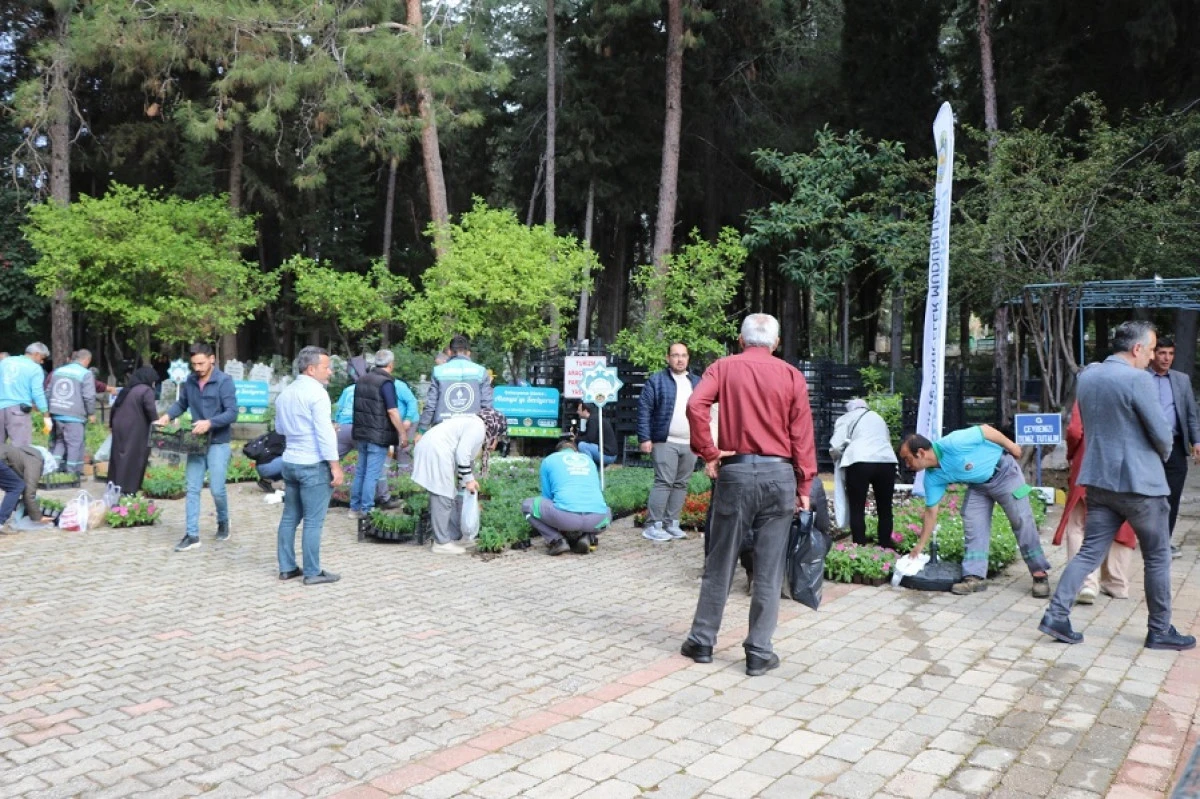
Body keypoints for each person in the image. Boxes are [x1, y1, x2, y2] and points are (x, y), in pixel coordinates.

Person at [1040, 321, 1195, 650]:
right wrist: (1164, 453)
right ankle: (1160, 630)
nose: (1153, 357)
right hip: (1140, 485)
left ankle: (1056, 615)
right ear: (1137, 349)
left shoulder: (1089, 375)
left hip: (1098, 481)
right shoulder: (1138, 379)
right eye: (1152, 350)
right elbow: (1163, 435)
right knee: (1157, 557)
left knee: (1088, 552)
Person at [679, 314, 817, 677]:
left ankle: (703, 641)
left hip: (736, 473)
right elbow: (802, 435)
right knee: (769, 569)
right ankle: (758, 651)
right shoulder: (791, 375)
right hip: (780, 474)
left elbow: (696, 406)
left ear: (741, 341)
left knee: (720, 560)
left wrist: (708, 451)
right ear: (775, 343)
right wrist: (805, 486)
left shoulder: (722, 368)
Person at [899, 425, 1051, 597]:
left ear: (920, 453)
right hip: (978, 485)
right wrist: (920, 546)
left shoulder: (953, 442)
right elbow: (930, 512)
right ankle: (974, 577)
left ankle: (1039, 574)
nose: (907, 465)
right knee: (972, 521)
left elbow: (985, 430)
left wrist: (1012, 446)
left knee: (1021, 520)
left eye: (907, 459)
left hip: (1005, 473)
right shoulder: (932, 477)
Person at [1052, 401, 1136, 604]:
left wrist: (1072, 453)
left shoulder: (1088, 392)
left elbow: (1074, 431)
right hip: (1124, 463)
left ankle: (1086, 583)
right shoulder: (1133, 390)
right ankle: (1117, 583)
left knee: (1079, 524)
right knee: (1121, 521)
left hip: (1088, 460)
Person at [156, 342, 238, 552]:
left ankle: (223, 521)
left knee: (217, 489)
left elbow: (232, 412)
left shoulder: (224, 381)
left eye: (201, 363)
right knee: (192, 489)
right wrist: (167, 416)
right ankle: (192, 535)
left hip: (218, 442)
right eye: (194, 364)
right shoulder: (190, 381)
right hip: (195, 441)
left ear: (212, 359)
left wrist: (209, 423)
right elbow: (182, 404)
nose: (198, 368)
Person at [274, 346, 344, 585]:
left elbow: (280, 429)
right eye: (327, 367)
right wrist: (335, 466)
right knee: (314, 521)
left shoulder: (285, 393)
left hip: (290, 460)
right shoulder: (318, 394)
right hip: (313, 462)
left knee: (289, 517)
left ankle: (286, 567)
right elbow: (324, 434)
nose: (330, 372)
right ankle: (312, 572)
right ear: (311, 369)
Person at [411, 408, 507, 555]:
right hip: (437, 450)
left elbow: (463, 459)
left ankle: (441, 537)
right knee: (443, 495)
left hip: (433, 447)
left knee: (442, 494)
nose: (496, 441)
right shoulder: (478, 427)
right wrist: (468, 480)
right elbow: (462, 453)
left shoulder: (473, 423)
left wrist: (466, 483)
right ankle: (441, 543)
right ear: (494, 428)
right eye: (498, 436)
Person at [637, 342, 701, 542]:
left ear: (688, 358)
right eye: (675, 355)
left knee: (681, 483)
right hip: (665, 440)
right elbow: (644, 410)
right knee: (664, 482)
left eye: (683, 355)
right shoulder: (656, 381)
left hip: (690, 442)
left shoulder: (698, 382)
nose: (680, 359)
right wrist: (645, 438)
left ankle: (671, 523)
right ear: (668, 358)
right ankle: (653, 525)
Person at [1147, 336, 1200, 558]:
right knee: (1147, 496)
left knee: (1172, 496)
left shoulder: (1181, 380)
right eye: (1162, 353)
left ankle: (1163, 543)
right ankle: (1145, 540)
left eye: (1170, 353)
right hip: (1147, 447)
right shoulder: (1140, 378)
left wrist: (1196, 441)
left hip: (1176, 446)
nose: (1166, 358)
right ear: (1153, 354)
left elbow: (1190, 414)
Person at [521, 438, 612, 555]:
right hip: (598, 520)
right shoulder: (589, 460)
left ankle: (557, 540)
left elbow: (547, 497)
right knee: (607, 510)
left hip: (566, 518)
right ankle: (588, 536)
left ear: (558, 451)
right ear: (576, 451)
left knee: (527, 506)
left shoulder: (549, 460)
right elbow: (598, 490)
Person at [349, 349, 409, 520]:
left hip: (361, 432)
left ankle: (354, 508)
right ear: (391, 364)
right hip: (378, 434)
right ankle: (367, 510)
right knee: (372, 473)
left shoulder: (361, 380)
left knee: (360, 471)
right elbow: (392, 411)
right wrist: (402, 433)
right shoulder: (386, 383)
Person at [829, 398, 897, 547]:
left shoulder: (846, 418)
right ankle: (885, 544)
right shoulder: (878, 418)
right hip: (886, 461)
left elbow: (835, 445)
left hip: (859, 461)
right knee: (885, 507)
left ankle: (859, 545)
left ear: (850, 409)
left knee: (857, 507)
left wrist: (837, 457)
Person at [417, 335, 493, 434]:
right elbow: (486, 405)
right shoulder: (481, 371)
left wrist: (421, 429)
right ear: (468, 352)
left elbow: (431, 404)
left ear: (450, 352)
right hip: (472, 430)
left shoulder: (438, 371)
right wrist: (490, 433)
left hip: (443, 428)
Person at [108, 367, 159, 495]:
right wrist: (157, 422)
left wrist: (111, 425)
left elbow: (114, 408)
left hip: (119, 426)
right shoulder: (146, 390)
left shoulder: (127, 389)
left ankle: (114, 485)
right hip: (135, 427)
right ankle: (128, 488)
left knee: (118, 456)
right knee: (135, 457)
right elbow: (150, 410)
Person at [47, 349, 98, 475]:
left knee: (59, 442)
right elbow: (89, 396)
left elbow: (48, 391)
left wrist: (48, 410)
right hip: (74, 416)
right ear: (87, 360)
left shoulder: (58, 371)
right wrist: (91, 413)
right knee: (74, 444)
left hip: (56, 413)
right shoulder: (85, 374)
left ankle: (52, 471)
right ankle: (72, 474)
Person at [0, 342, 49, 447]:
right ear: (36, 354)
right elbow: (38, 393)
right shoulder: (35, 368)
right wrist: (45, 413)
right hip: (18, 412)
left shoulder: (5, 362)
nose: (42, 361)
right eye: (42, 358)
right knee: (21, 449)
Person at [0, 443, 48, 528]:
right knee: (16, 486)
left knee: (15, 484)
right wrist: (38, 517)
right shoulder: (35, 462)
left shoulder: (23, 453)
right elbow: (29, 493)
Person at [575, 403, 617, 468]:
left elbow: (590, 438)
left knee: (582, 445)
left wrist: (576, 439)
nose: (577, 412)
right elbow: (589, 434)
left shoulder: (592, 420)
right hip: (608, 452)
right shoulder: (594, 418)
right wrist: (578, 434)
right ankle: (596, 472)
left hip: (608, 454)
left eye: (579, 410)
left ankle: (589, 468)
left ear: (585, 410)